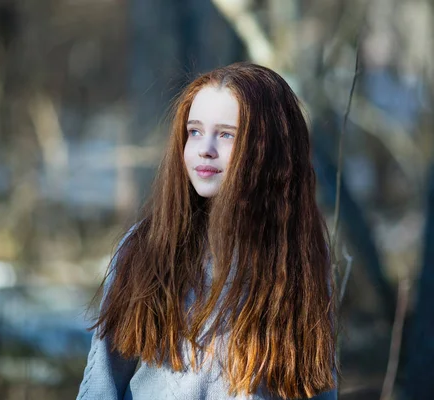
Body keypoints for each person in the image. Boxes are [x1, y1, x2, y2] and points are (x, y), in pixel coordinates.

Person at [77, 62, 338, 400]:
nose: (205, 148)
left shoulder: (299, 263)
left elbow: (316, 387)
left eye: (226, 134)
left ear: (268, 148)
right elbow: (101, 384)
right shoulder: (146, 248)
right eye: (195, 131)